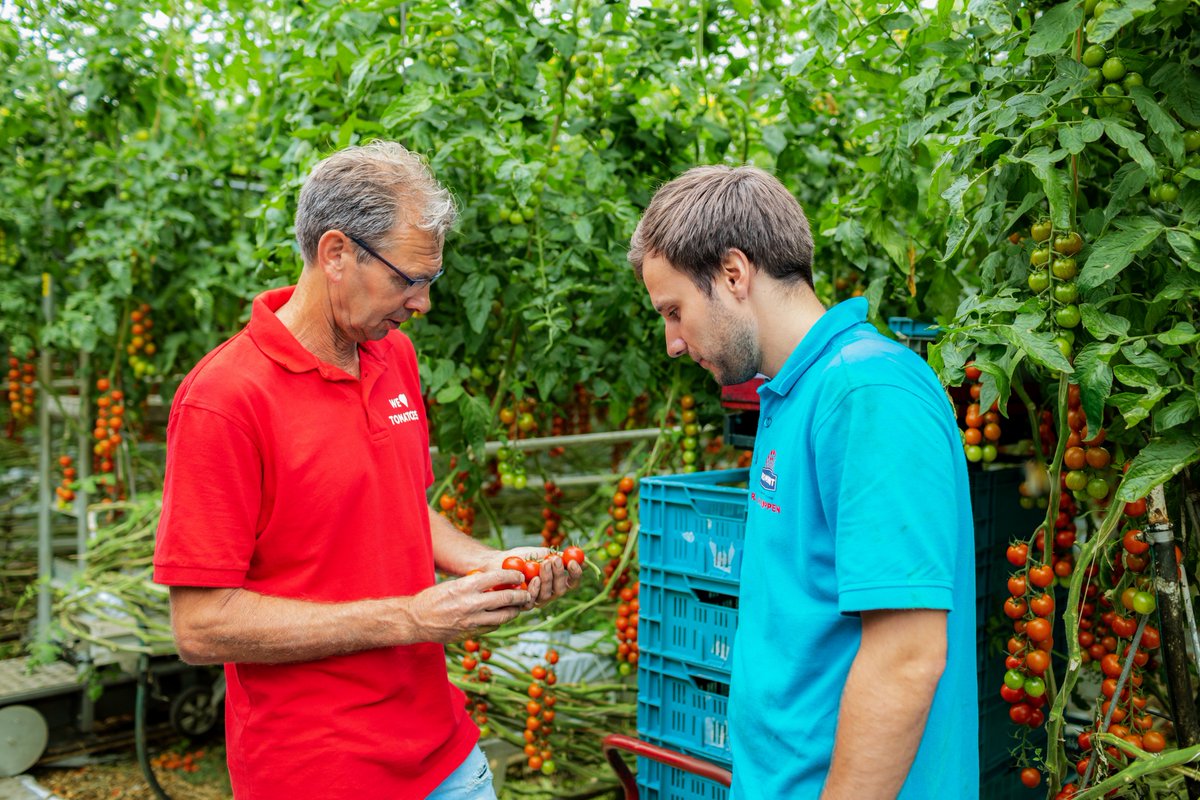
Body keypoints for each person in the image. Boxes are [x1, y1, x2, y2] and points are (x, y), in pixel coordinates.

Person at [154, 141, 581, 800]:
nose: (421, 303)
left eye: (430, 282)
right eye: (408, 279)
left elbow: (400, 504)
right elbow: (201, 625)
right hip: (320, 773)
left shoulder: (392, 357)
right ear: (335, 254)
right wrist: (410, 618)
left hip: (444, 754)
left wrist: (487, 565)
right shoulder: (224, 400)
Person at [628, 165, 977, 799]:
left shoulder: (867, 392)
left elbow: (906, 658)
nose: (673, 342)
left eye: (674, 311)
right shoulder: (793, 391)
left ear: (734, 273)